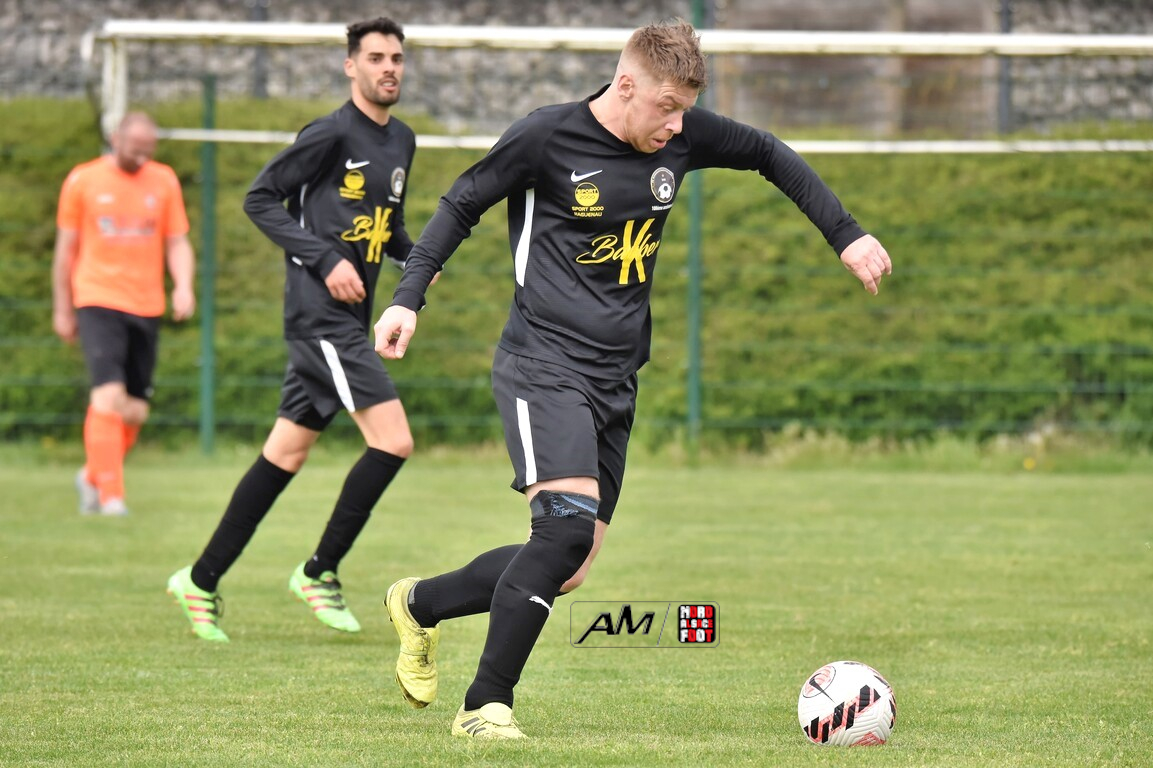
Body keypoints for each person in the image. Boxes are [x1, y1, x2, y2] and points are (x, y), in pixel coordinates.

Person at [373, 18, 892, 739]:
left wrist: (846, 233)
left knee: (569, 564)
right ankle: (484, 706)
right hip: (542, 364)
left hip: (616, 379)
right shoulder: (546, 137)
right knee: (561, 532)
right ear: (625, 86)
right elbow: (461, 204)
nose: (676, 126)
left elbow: (768, 153)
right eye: (666, 108)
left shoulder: (677, 135)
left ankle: (420, 604)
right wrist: (407, 298)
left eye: (685, 111)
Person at [167, 17, 418, 643]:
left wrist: (418, 259)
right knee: (393, 441)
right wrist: (324, 259)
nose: (389, 68)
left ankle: (199, 579)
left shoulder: (402, 141)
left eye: (396, 58)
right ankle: (318, 571)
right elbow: (260, 198)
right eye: (376, 58)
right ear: (351, 66)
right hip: (319, 318)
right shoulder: (329, 133)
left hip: (349, 319)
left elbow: (385, 225)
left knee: (285, 453)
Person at [53, 112, 197, 517]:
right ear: (115, 139)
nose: (141, 157)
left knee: (134, 410)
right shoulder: (83, 180)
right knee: (108, 396)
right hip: (97, 298)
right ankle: (111, 497)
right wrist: (63, 308)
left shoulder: (164, 180)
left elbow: (177, 242)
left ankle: (93, 475)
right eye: (134, 149)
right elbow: (66, 250)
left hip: (146, 303)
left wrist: (183, 285)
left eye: (148, 150)